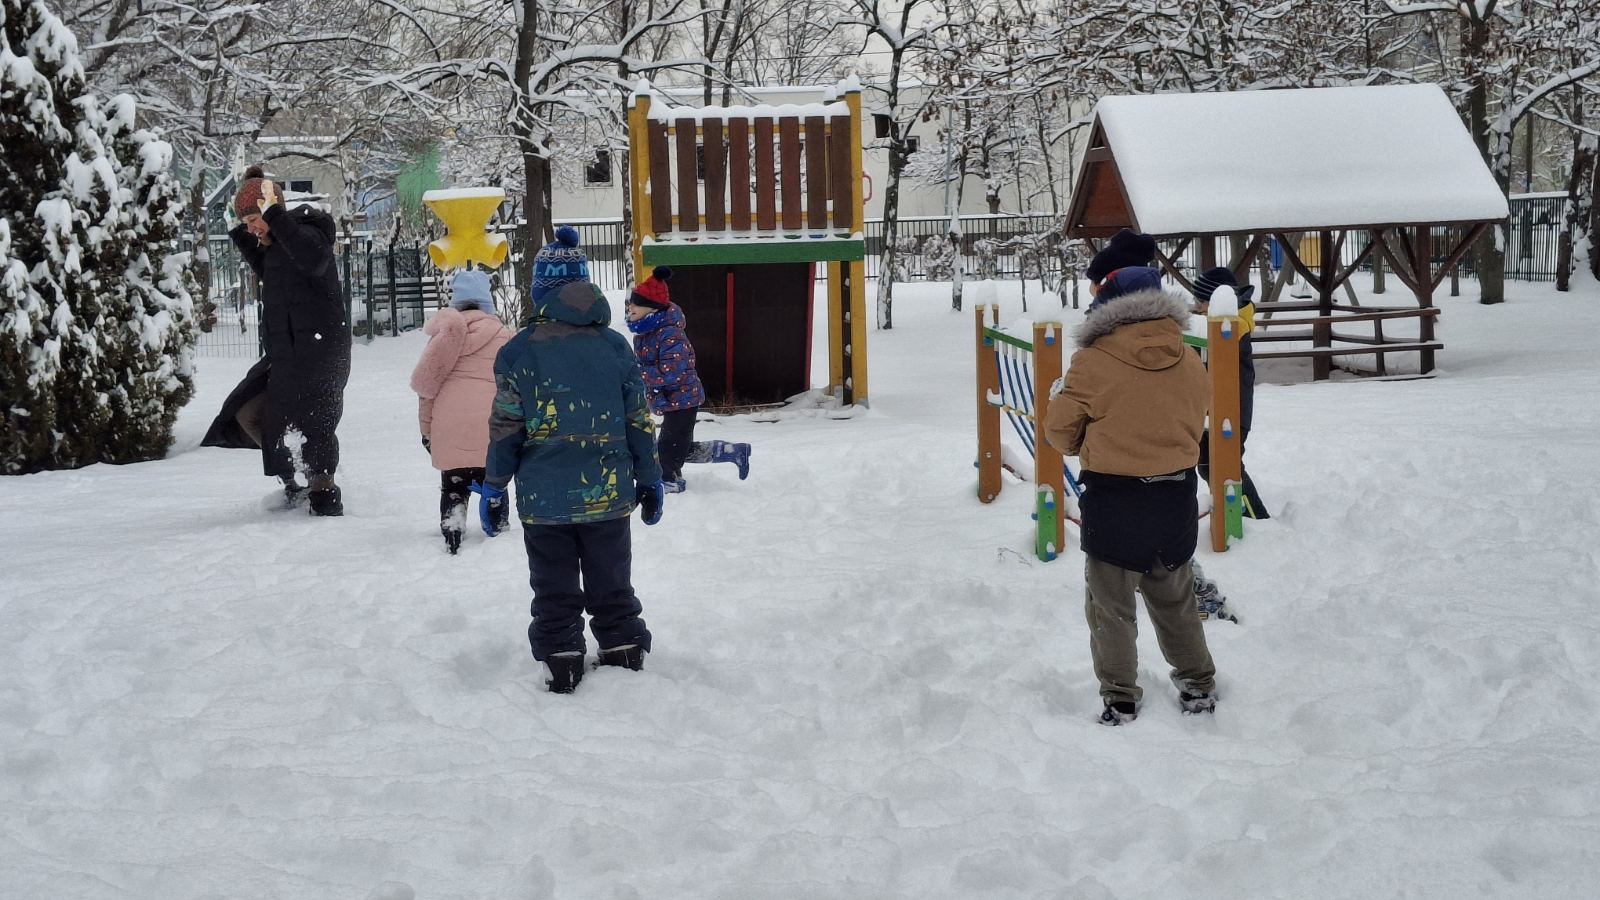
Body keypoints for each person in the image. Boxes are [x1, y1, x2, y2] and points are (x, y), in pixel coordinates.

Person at [481, 227, 663, 694]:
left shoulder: (518, 352)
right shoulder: (615, 346)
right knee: (611, 581)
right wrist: (650, 477)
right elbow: (638, 420)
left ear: (540, 291)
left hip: (545, 501)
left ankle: (561, 657)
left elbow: (506, 427)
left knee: (554, 587)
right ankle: (623, 647)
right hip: (607, 495)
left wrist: (495, 485)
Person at [1043, 262, 1218, 725]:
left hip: (1115, 498)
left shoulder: (1093, 362)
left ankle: (1120, 695)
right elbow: (1197, 415)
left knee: (1110, 606)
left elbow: (1060, 433)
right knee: (1176, 599)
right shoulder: (1190, 358)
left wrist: (1090, 437)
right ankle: (1198, 683)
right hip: (1175, 496)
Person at [202, 166, 352, 516]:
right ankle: (294, 480)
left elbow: (312, 260)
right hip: (286, 354)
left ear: (272, 211)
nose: (252, 228)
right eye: (247, 222)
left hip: (320, 351)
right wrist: (238, 231)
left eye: (254, 219)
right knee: (251, 412)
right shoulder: (276, 249)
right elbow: (266, 265)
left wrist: (273, 215)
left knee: (316, 424)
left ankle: (323, 494)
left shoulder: (311, 234)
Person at [410, 270, 512, 554]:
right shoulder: (504, 337)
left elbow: (426, 390)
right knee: (494, 482)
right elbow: (515, 389)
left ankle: (453, 526)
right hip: (492, 428)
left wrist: (427, 431)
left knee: (454, 484)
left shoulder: (443, 338)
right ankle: (497, 527)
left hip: (450, 428)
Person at [624, 267, 751, 493]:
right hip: (671, 399)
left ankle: (670, 481)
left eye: (636, 304)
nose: (630, 308)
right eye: (630, 303)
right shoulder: (643, 334)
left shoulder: (669, 333)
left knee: (669, 449)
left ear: (652, 308)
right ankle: (733, 452)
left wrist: (639, 374)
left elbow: (674, 371)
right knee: (679, 447)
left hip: (683, 399)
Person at [1191, 266, 1269, 520]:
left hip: (1232, 411)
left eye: (1201, 302)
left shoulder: (1233, 325)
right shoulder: (1223, 322)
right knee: (1210, 466)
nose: (1198, 308)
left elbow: (1214, 351)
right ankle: (1234, 514)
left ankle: (1254, 517)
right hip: (1218, 409)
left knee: (1226, 466)